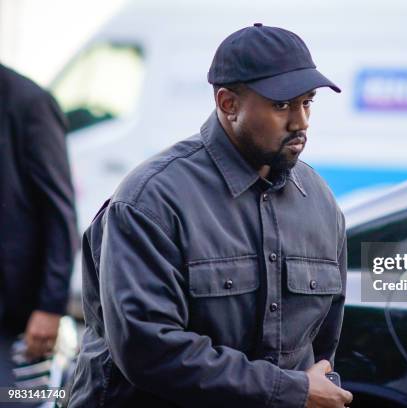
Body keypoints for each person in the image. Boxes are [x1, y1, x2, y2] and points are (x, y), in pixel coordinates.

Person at [68, 24, 353, 407]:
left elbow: (321, 346)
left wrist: (304, 388)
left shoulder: (319, 201)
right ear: (228, 104)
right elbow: (149, 349)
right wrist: (288, 391)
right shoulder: (151, 200)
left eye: (308, 102)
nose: (300, 121)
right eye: (281, 105)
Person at [0, 64, 78, 384]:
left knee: (20, 398)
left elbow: (60, 214)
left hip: (14, 313)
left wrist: (50, 307)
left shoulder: (29, 102)